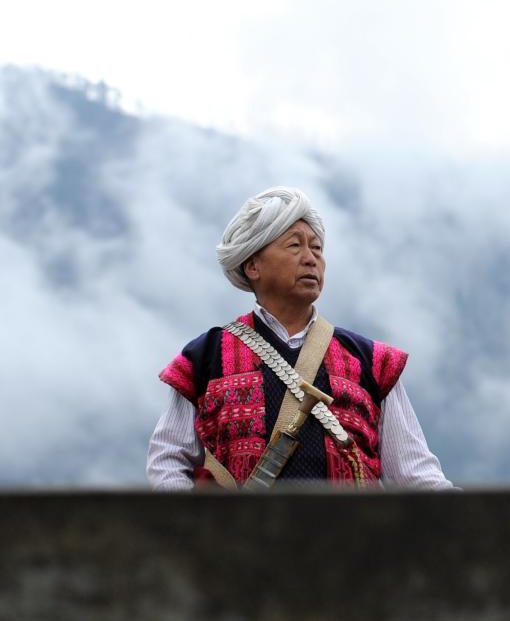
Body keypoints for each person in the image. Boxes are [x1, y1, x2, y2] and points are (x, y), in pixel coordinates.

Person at [147, 186, 453, 489]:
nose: (311, 259)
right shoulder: (204, 358)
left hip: (352, 525)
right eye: (295, 246)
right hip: (243, 525)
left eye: (317, 248)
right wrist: (198, 521)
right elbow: (167, 464)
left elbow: (417, 477)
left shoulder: (372, 363)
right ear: (253, 266)